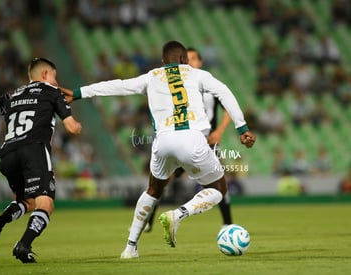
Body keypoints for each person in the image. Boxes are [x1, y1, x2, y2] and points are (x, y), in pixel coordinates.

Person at [62, 40, 255, 259]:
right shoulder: (197, 74)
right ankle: (179, 214)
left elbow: (116, 85)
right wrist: (243, 127)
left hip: (162, 142)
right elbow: (225, 92)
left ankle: (130, 248)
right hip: (193, 139)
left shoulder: (152, 76)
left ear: (163, 62)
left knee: (153, 190)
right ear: (184, 59)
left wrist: (78, 92)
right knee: (219, 188)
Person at [0, 58, 82, 263]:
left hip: (8, 156)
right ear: (46, 75)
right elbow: (72, 128)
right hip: (34, 150)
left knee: (26, 201)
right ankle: (24, 245)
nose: (57, 82)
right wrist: (77, 125)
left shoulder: (12, 96)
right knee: (45, 203)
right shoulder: (51, 91)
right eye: (55, 77)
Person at [145, 47, 234, 231]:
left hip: (207, 142)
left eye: (194, 58)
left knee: (218, 183)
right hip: (183, 139)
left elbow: (228, 109)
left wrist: (219, 131)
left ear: (200, 62)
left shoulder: (208, 84)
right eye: (188, 58)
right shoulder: (179, 86)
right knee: (161, 181)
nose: (191, 62)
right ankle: (149, 221)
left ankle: (227, 223)